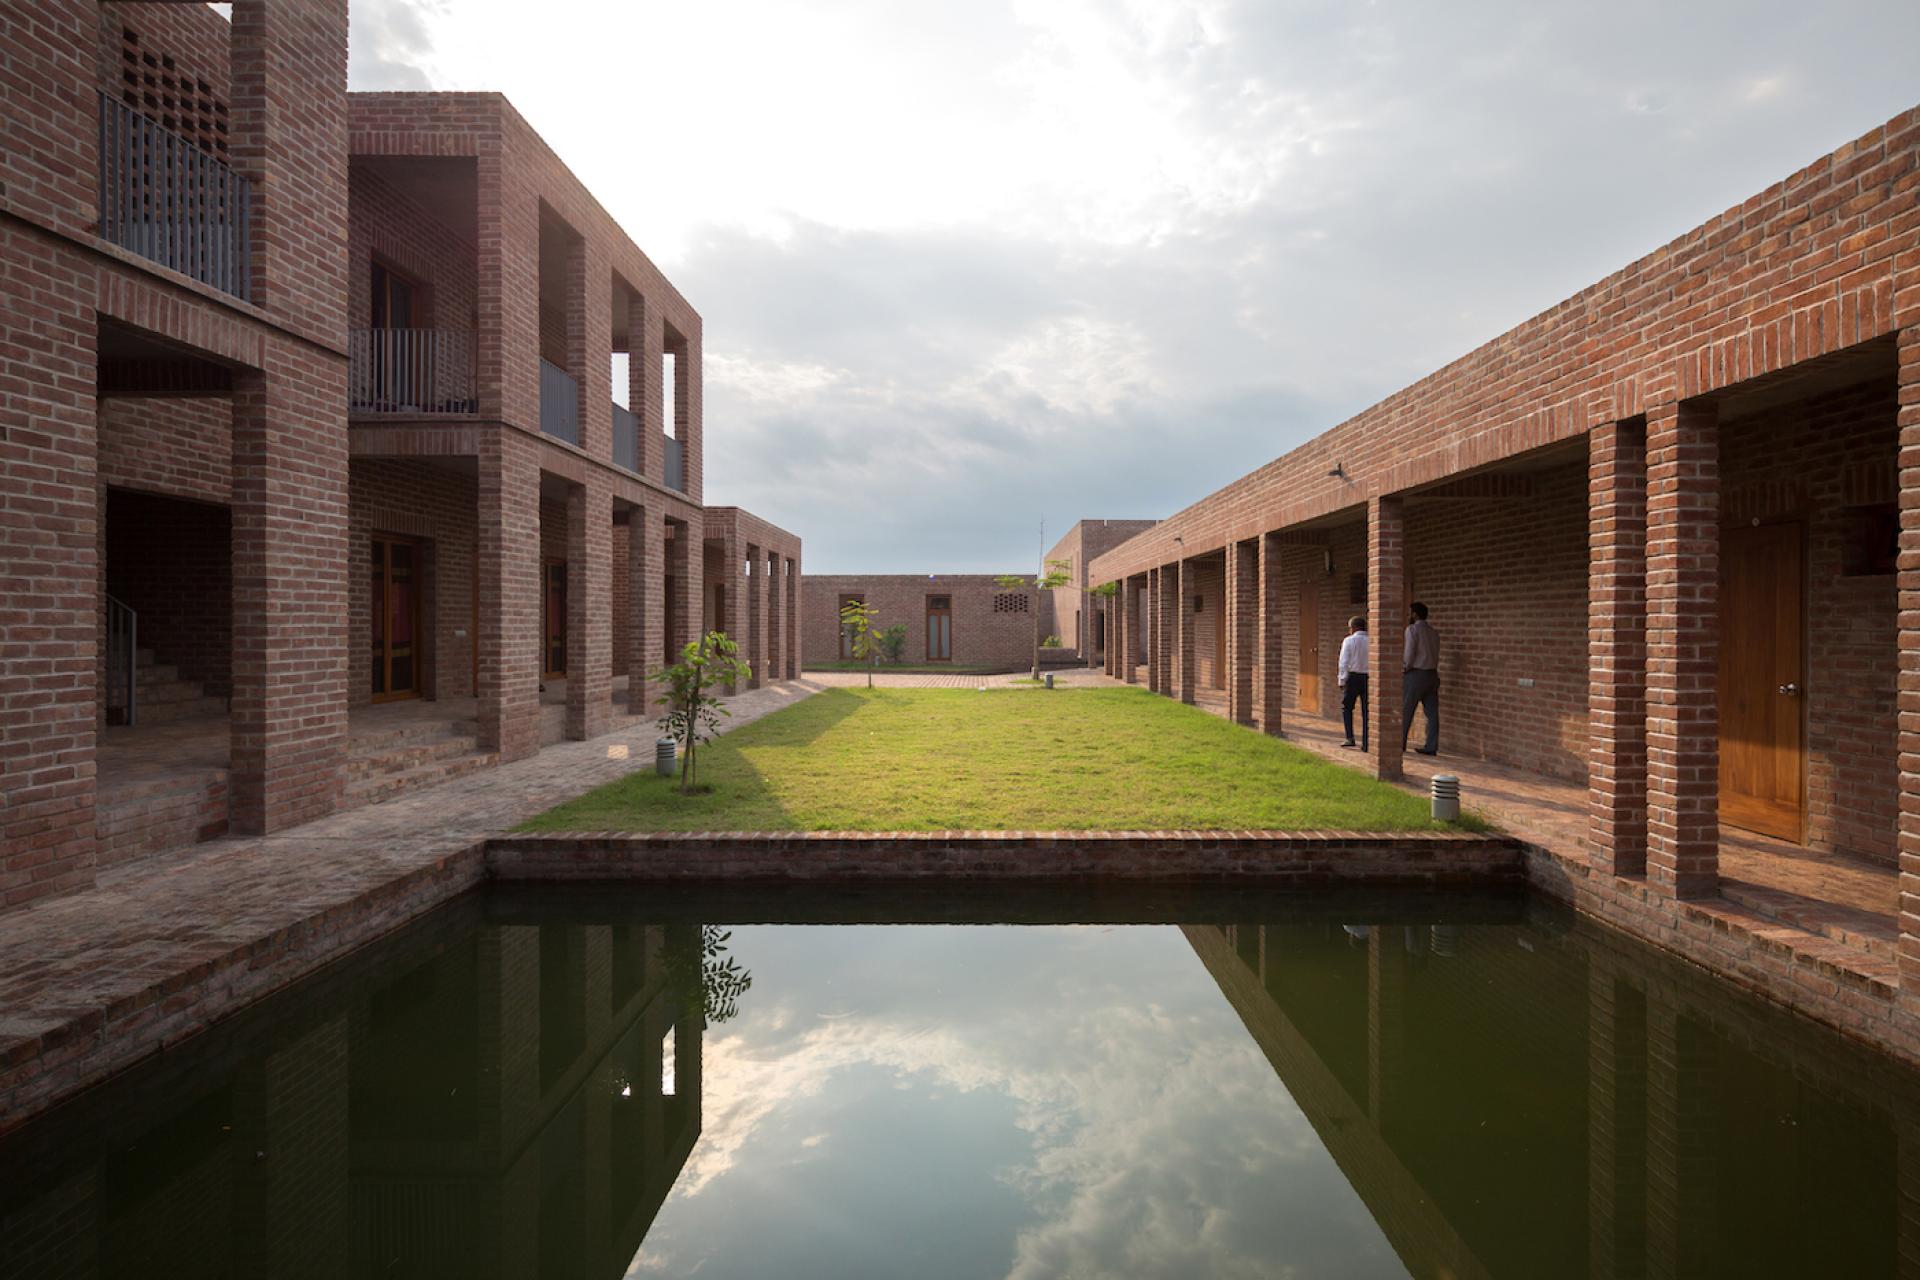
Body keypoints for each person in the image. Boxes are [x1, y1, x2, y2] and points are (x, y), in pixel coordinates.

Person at [1402, 601, 1440, 756]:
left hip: (1416, 674)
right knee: (1432, 713)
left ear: (1414, 614)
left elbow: (1410, 653)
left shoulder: (1412, 630)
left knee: (1406, 710)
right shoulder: (1433, 632)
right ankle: (1431, 746)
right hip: (1432, 674)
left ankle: (1399, 743)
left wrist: (1404, 667)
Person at [1337, 615, 1369, 750]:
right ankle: (1367, 742)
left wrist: (1342, 680)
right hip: (1369, 677)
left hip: (1353, 677)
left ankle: (1350, 737)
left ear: (1354, 627)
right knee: (1367, 710)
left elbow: (1344, 662)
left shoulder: (1349, 641)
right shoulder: (1371, 640)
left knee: (1347, 707)